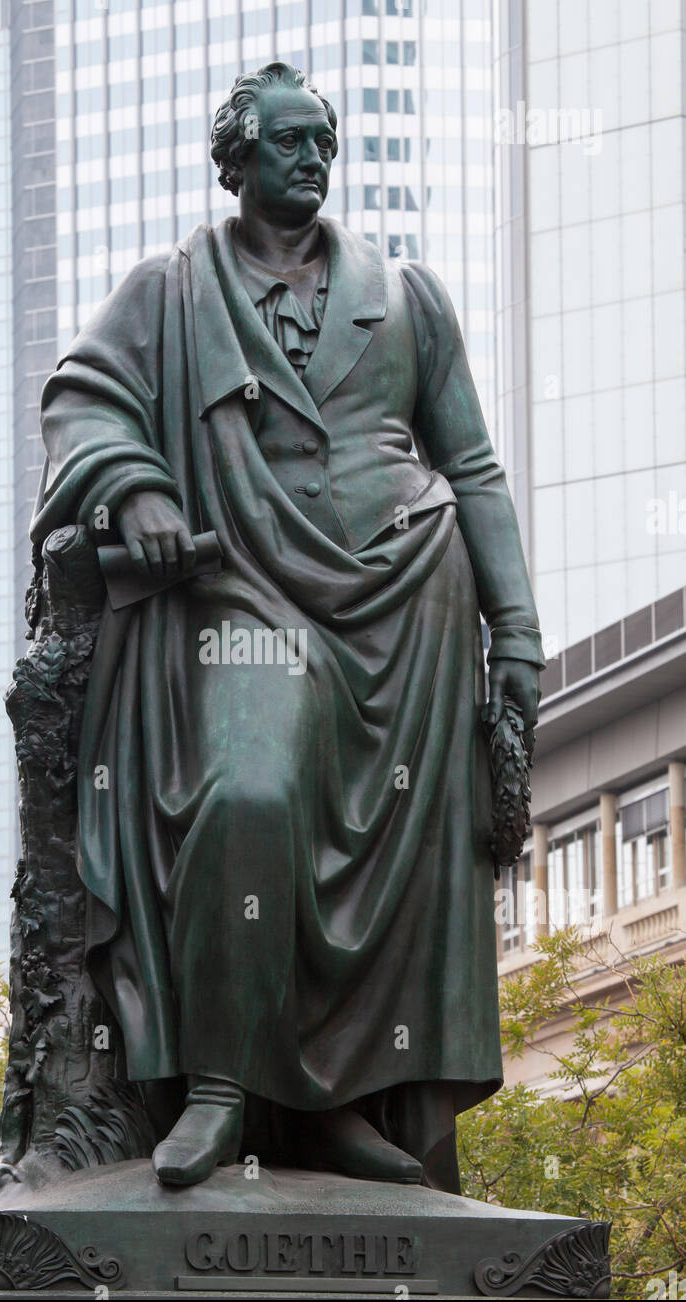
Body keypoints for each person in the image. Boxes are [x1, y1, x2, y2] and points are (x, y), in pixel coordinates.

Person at [32, 62, 544, 1193]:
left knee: (391, 854)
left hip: (406, 602)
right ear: (235, 161)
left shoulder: (405, 295)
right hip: (244, 600)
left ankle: (340, 1107)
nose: (310, 157)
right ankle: (223, 1083)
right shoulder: (168, 290)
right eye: (286, 141)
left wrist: (516, 633)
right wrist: (136, 485)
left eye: (322, 140)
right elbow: (79, 399)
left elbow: (471, 466)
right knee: (249, 793)